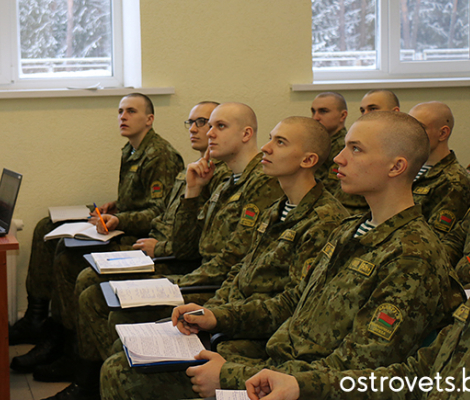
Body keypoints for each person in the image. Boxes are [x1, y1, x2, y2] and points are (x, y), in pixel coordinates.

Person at [103, 111, 462, 398]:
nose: (338, 158)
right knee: (127, 362)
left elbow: (359, 367)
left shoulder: (411, 256)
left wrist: (231, 374)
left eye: (356, 149)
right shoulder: (351, 229)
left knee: (124, 375)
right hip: (278, 364)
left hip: (301, 386)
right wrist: (216, 316)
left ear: (396, 167)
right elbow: (292, 301)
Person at [97, 116, 348, 400]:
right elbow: (240, 270)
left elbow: (291, 305)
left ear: (308, 160)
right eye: (270, 138)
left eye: (280, 142)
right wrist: (211, 311)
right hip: (233, 314)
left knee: (120, 369)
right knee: (125, 347)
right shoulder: (278, 208)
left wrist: (219, 317)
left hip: (257, 334)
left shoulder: (325, 220)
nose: (265, 148)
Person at [245, 156, 470, 400]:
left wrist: (237, 374)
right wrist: (301, 386)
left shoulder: (412, 255)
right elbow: (417, 377)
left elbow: (359, 360)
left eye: (356, 149)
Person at [73, 103, 281, 398]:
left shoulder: (262, 184)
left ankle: (99, 386)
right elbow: (186, 245)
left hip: (215, 288)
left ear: (246, 134)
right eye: (209, 126)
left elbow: (232, 261)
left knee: (112, 311)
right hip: (204, 279)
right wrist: (193, 192)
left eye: (219, 126)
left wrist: (172, 284)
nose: (209, 133)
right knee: (100, 294)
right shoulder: (223, 181)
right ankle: (95, 384)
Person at [22, 102, 220, 382]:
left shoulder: (167, 158)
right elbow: (164, 214)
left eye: (206, 123)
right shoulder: (180, 166)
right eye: (192, 122)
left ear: (149, 119)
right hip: (156, 243)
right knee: (53, 234)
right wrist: (118, 208)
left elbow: (183, 234)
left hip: (164, 254)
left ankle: (82, 362)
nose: (199, 129)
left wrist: (125, 222)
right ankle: (54, 335)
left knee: (76, 266)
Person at [9, 93, 184, 359]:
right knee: (46, 227)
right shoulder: (131, 149)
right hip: (123, 224)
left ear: (149, 119)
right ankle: (37, 319)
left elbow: (160, 211)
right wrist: (116, 206)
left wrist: (120, 219)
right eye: (120, 111)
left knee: (67, 256)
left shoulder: (160, 155)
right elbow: (141, 199)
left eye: (131, 111)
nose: (123, 117)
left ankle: (66, 342)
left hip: (139, 237)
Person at [406, 102, 470, 236]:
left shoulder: (454, 182)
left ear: (442, 133)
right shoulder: (406, 168)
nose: (409, 134)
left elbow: (436, 239)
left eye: (419, 128)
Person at [310, 92, 367, 216]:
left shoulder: (345, 148)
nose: (315, 117)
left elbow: (332, 192)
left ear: (342, 116)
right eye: (313, 111)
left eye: (323, 111)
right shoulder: (318, 145)